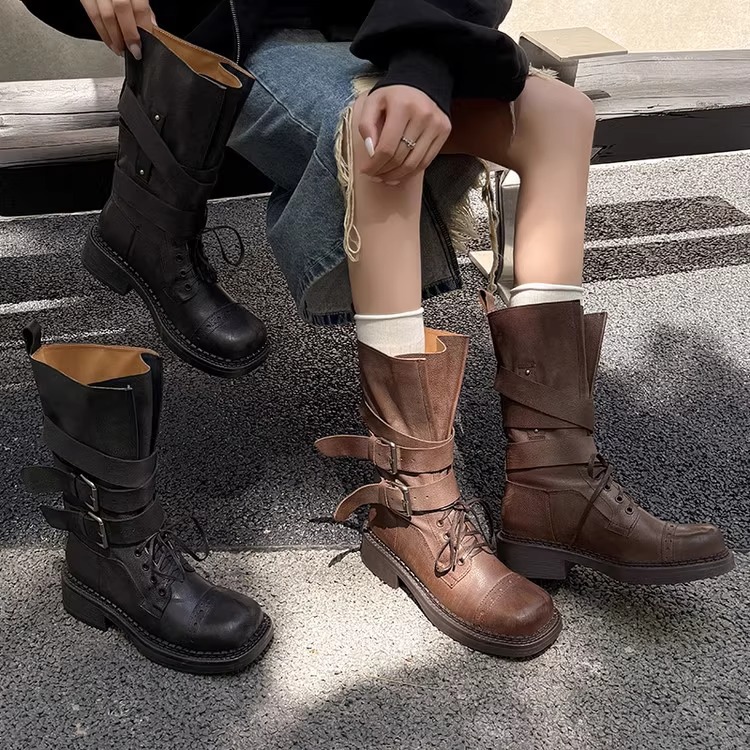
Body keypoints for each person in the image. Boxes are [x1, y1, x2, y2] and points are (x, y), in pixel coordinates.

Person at [21, 1, 734, 663]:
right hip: (246, 34)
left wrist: (421, 63)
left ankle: (557, 482)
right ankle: (413, 504)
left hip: (404, 25)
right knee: (381, 131)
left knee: (560, 114)